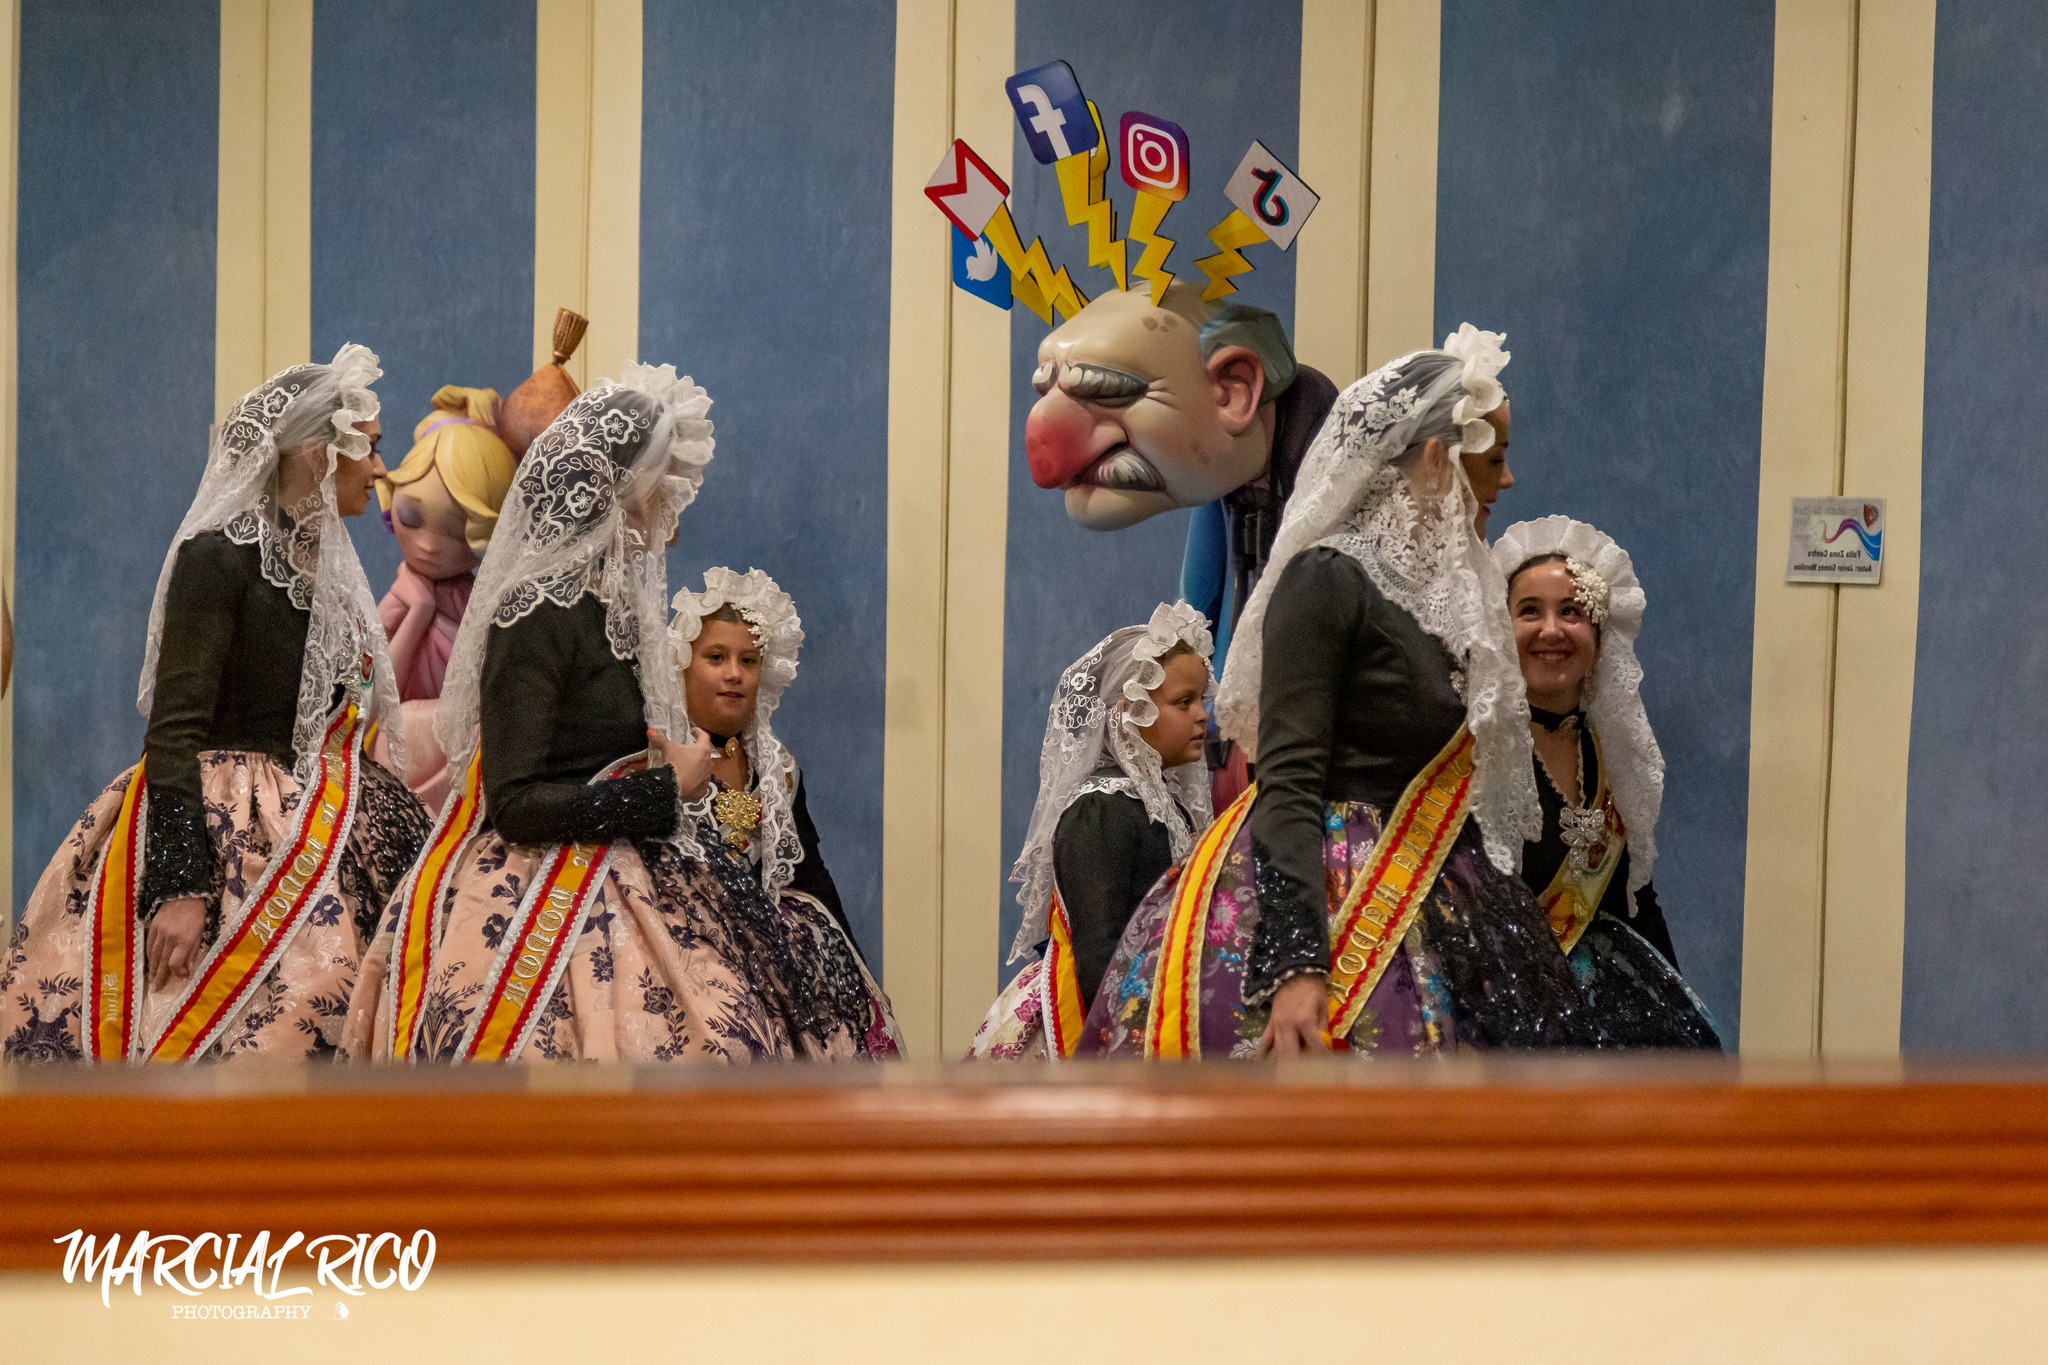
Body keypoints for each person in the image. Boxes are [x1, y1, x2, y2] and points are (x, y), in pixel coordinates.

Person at [1081, 327, 1698, 1059]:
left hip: (1442, 890)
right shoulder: (1326, 578)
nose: (1508, 480)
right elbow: (1289, 781)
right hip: (1331, 899)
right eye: (1493, 457)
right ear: (1437, 458)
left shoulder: (1455, 599)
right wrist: (1295, 965)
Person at [345, 365, 879, 1063]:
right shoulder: (534, 611)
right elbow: (516, 803)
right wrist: (666, 787)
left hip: (625, 873)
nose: (671, 500)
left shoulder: (611, 608)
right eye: (662, 479)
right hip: (534, 892)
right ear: (618, 487)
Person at [0, 346, 431, 1062]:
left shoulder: (325, 564)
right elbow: (173, 732)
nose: (381, 469)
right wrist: (179, 885)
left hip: (325, 823)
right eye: (371, 447)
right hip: (224, 835)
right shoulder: (218, 556)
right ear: (318, 452)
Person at [1491, 516, 1719, 1047]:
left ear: (1599, 634)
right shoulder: (1475, 752)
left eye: (1571, 611)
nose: (1551, 630)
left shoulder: (1611, 751)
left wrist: (1682, 1019)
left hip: (1607, 1021)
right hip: (1505, 1022)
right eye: (1530, 611)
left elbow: (1634, 901)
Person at [668, 567, 901, 1057]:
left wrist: (861, 977)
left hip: (778, 970)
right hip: (686, 967)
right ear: (682, 666)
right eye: (716, 657)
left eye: (748, 660)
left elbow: (811, 877)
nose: (734, 674)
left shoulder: (779, 770)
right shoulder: (657, 762)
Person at [969, 602, 1215, 1060]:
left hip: (1158, 1010)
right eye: (1184, 702)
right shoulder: (1100, 811)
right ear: (1128, 712)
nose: (1202, 715)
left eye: (1203, 700)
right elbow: (1099, 950)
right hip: (1105, 1023)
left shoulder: (1165, 804)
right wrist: (1121, 1047)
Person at [369, 385, 517, 808]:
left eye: (456, 530)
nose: (430, 546)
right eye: (412, 517)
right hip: (396, 754)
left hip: (468, 760)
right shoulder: (400, 599)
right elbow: (374, 697)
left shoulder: (483, 605)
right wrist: (418, 612)